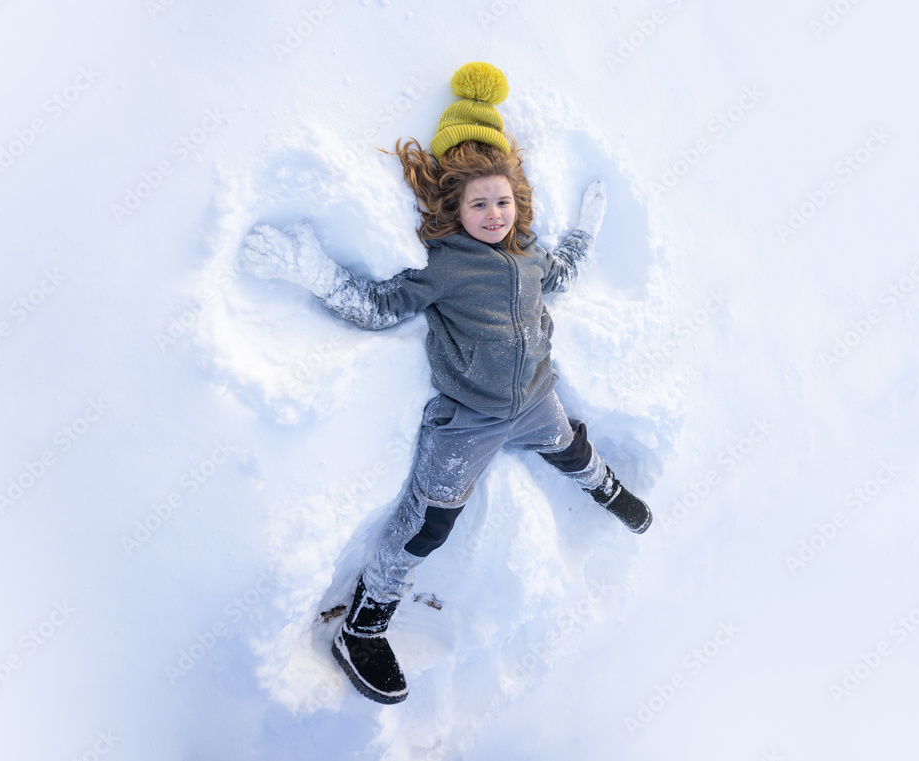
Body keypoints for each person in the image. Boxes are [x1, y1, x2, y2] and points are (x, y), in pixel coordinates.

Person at [242, 62, 652, 705]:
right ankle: (364, 626)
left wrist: (587, 229)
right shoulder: (447, 267)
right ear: (454, 207)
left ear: (518, 203)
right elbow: (378, 306)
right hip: (471, 421)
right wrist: (313, 271)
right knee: (428, 523)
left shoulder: (528, 255)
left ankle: (606, 488)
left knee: (571, 447)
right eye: (478, 203)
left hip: (536, 398)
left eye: (502, 201)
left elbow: (565, 272)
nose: (493, 214)